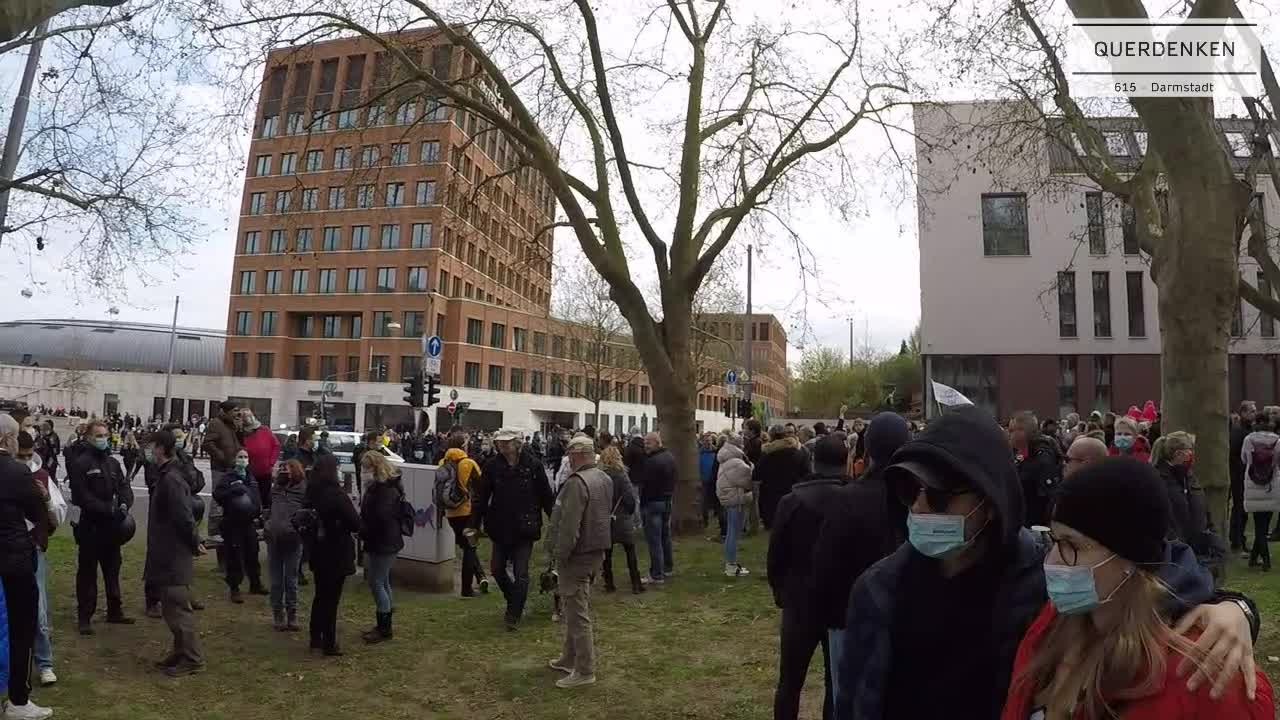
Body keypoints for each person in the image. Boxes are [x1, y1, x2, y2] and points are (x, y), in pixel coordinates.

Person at [836, 406, 1259, 720]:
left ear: (988, 497)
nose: (921, 507)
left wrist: (1235, 608)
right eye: (910, 491)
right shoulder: (878, 590)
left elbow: (1150, 569)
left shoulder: (1044, 575)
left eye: (941, 494)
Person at [1001, 457, 1273, 719]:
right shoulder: (1051, 625)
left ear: (1130, 559)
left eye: (1073, 546)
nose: (1053, 561)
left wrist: (1239, 608)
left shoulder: (1203, 675)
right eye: (1055, 541)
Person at [808, 414, 910, 717]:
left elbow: (825, 566)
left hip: (847, 618)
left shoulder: (849, 499)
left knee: (848, 700)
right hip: (902, 617)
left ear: (868, 448)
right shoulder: (919, 496)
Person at [767, 434, 851, 720]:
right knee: (835, 681)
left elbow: (776, 555)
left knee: (790, 681)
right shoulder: (855, 501)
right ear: (846, 462)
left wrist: (781, 592)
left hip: (799, 602)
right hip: (840, 603)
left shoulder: (791, 501)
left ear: (814, 460)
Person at [546, 435, 613, 689]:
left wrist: (559, 554)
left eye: (570, 455)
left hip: (578, 554)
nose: (568, 459)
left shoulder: (577, 482)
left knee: (576, 612)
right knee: (577, 605)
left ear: (576, 455)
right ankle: (569, 657)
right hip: (597, 551)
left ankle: (585, 670)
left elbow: (569, 526)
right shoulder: (603, 477)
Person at [472, 428, 555, 630]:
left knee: (521, 572)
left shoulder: (533, 465)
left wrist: (555, 519)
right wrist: (473, 524)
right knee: (497, 569)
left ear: (517, 443)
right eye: (500, 442)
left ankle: (513, 615)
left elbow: (545, 495)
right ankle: (514, 599)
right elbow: (481, 498)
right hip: (499, 525)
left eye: (507, 442)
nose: (503, 446)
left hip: (525, 525)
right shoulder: (492, 466)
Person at [0, 416, 53, 719]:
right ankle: (18, 700)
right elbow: (38, 512)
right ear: (8, 439)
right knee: (22, 628)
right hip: (13, 561)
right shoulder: (17, 473)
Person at [143, 429, 206, 678]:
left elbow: (184, 516)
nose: (147, 451)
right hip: (165, 552)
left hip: (173, 554)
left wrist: (194, 542)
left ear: (160, 448)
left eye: (151, 446)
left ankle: (192, 658)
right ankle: (180, 653)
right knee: (171, 608)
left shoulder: (172, 479)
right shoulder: (166, 475)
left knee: (178, 608)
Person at [69, 419, 135, 635]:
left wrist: (124, 505)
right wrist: (107, 509)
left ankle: (115, 611)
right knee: (87, 573)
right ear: (89, 437)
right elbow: (80, 496)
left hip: (112, 528)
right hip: (91, 527)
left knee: (113, 569)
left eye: (105, 435)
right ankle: (85, 617)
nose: (103, 439)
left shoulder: (112, 463)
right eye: (98, 435)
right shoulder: (82, 463)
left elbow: (125, 487)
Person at [16, 433, 60, 687]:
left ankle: (44, 662)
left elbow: (57, 513)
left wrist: (45, 499)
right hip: (9, 547)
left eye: (28, 455)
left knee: (38, 608)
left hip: (33, 548)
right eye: (20, 456)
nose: (25, 460)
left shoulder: (41, 476)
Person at [305, 454, 360, 656]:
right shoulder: (337, 496)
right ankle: (329, 641)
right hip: (336, 550)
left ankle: (315, 638)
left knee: (320, 596)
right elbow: (355, 523)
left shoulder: (312, 493)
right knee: (331, 599)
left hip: (318, 549)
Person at [358, 451, 405, 644]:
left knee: (376, 582)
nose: (363, 471)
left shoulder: (383, 490)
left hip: (382, 541)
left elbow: (380, 518)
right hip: (386, 540)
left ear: (375, 468)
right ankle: (385, 620)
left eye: (366, 467)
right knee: (382, 580)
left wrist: (364, 529)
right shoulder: (384, 487)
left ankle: (384, 626)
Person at [212, 449, 265, 603]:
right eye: (240, 457)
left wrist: (258, 513)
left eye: (246, 457)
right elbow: (218, 495)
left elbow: (257, 497)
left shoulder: (251, 477)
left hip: (249, 523)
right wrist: (232, 490)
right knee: (234, 555)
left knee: (252, 552)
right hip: (232, 523)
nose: (243, 459)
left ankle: (255, 583)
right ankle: (234, 588)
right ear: (235, 460)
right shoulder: (227, 478)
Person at [442, 432, 489, 598]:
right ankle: (467, 589)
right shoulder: (468, 463)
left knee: (465, 546)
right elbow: (482, 487)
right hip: (468, 512)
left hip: (450, 513)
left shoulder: (443, 462)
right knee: (470, 548)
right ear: (463, 446)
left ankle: (481, 576)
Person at [202, 400, 243, 574]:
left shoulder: (232, 424)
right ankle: (214, 529)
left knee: (230, 501)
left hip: (232, 467)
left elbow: (237, 443)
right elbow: (207, 443)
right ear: (225, 411)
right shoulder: (216, 424)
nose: (237, 414)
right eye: (234, 411)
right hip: (220, 467)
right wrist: (222, 457)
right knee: (219, 498)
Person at [266, 459, 306, 631]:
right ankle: (278, 613)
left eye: (288, 468)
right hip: (274, 538)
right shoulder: (276, 488)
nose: (284, 470)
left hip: (293, 539)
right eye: (282, 468)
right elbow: (268, 505)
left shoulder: (302, 489)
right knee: (276, 581)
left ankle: (292, 613)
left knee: (291, 579)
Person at [1151, 431, 1209, 548]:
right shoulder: (1158, 480)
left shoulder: (1189, 476)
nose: (1192, 453)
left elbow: (1203, 508)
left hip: (1197, 547)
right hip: (1174, 549)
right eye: (1190, 450)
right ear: (1178, 454)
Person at [598, 445, 642, 594]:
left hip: (605, 517)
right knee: (630, 550)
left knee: (607, 553)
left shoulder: (599, 476)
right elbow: (630, 498)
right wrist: (630, 512)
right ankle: (636, 583)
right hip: (622, 517)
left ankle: (609, 583)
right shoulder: (622, 475)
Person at [634, 432, 677, 584]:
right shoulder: (670, 457)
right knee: (665, 536)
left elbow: (645, 484)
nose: (646, 446)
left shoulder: (652, 461)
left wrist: (642, 503)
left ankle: (656, 573)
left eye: (648, 443)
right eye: (645, 443)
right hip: (666, 500)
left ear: (657, 443)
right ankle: (667, 567)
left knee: (654, 539)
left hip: (652, 502)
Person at [1008, 412, 1062, 528]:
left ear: (1023, 432)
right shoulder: (1022, 453)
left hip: (1036, 525)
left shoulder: (1042, 457)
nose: (1009, 434)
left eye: (1012, 430)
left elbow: (1046, 498)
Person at [754, 425, 812, 529]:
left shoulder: (767, 453)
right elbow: (807, 473)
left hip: (771, 495)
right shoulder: (799, 452)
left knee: (774, 528)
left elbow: (757, 475)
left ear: (771, 436)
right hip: (794, 492)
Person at [1242, 414, 1280, 571]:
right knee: (1264, 524)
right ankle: (1257, 559)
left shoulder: (1249, 439)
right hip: (1271, 483)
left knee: (1259, 526)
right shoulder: (1277, 440)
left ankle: (1264, 561)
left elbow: (1244, 459)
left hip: (1253, 482)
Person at [715, 434, 754, 577]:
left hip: (731, 497)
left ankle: (731, 563)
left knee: (732, 532)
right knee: (733, 533)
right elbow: (747, 481)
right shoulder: (736, 462)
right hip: (735, 499)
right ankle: (730, 565)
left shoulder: (727, 458)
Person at [1230, 400, 1259, 554]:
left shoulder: (1248, 429)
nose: (1255, 413)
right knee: (1239, 507)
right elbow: (1234, 454)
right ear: (1243, 413)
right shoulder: (1239, 431)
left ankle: (1238, 539)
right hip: (1239, 474)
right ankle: (1237, 540)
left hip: (1244, 473)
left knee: (1242, 508)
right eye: (1252, 411)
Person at [239, 410, 280, 513]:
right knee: (250, 498)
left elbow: (276, 446)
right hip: (248, 473)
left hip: (265, 472)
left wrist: (271, 463)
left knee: (266, 497)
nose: (251, 431)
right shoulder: (240, 434)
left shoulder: (265, 430)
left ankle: (265, 518)